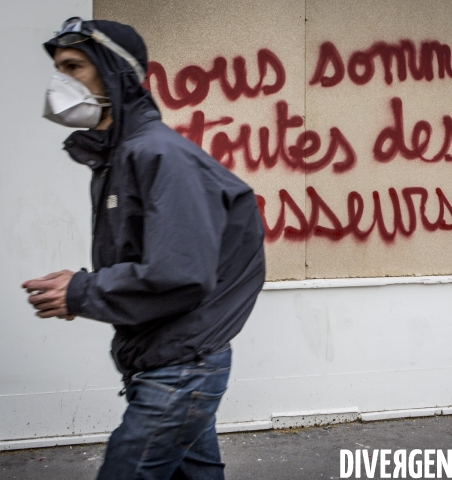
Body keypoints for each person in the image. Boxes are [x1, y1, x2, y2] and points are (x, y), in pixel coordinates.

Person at [22, 17, 265, 479]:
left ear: (114, 71)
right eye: (57, 68)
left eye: (74, 66)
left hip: (181, 371)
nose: (61, 82)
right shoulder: (120, 157)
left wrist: (83, 292)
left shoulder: (157, 154)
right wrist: (83, 288)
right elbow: (152, 263)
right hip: (169, 358)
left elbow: (180, 273)